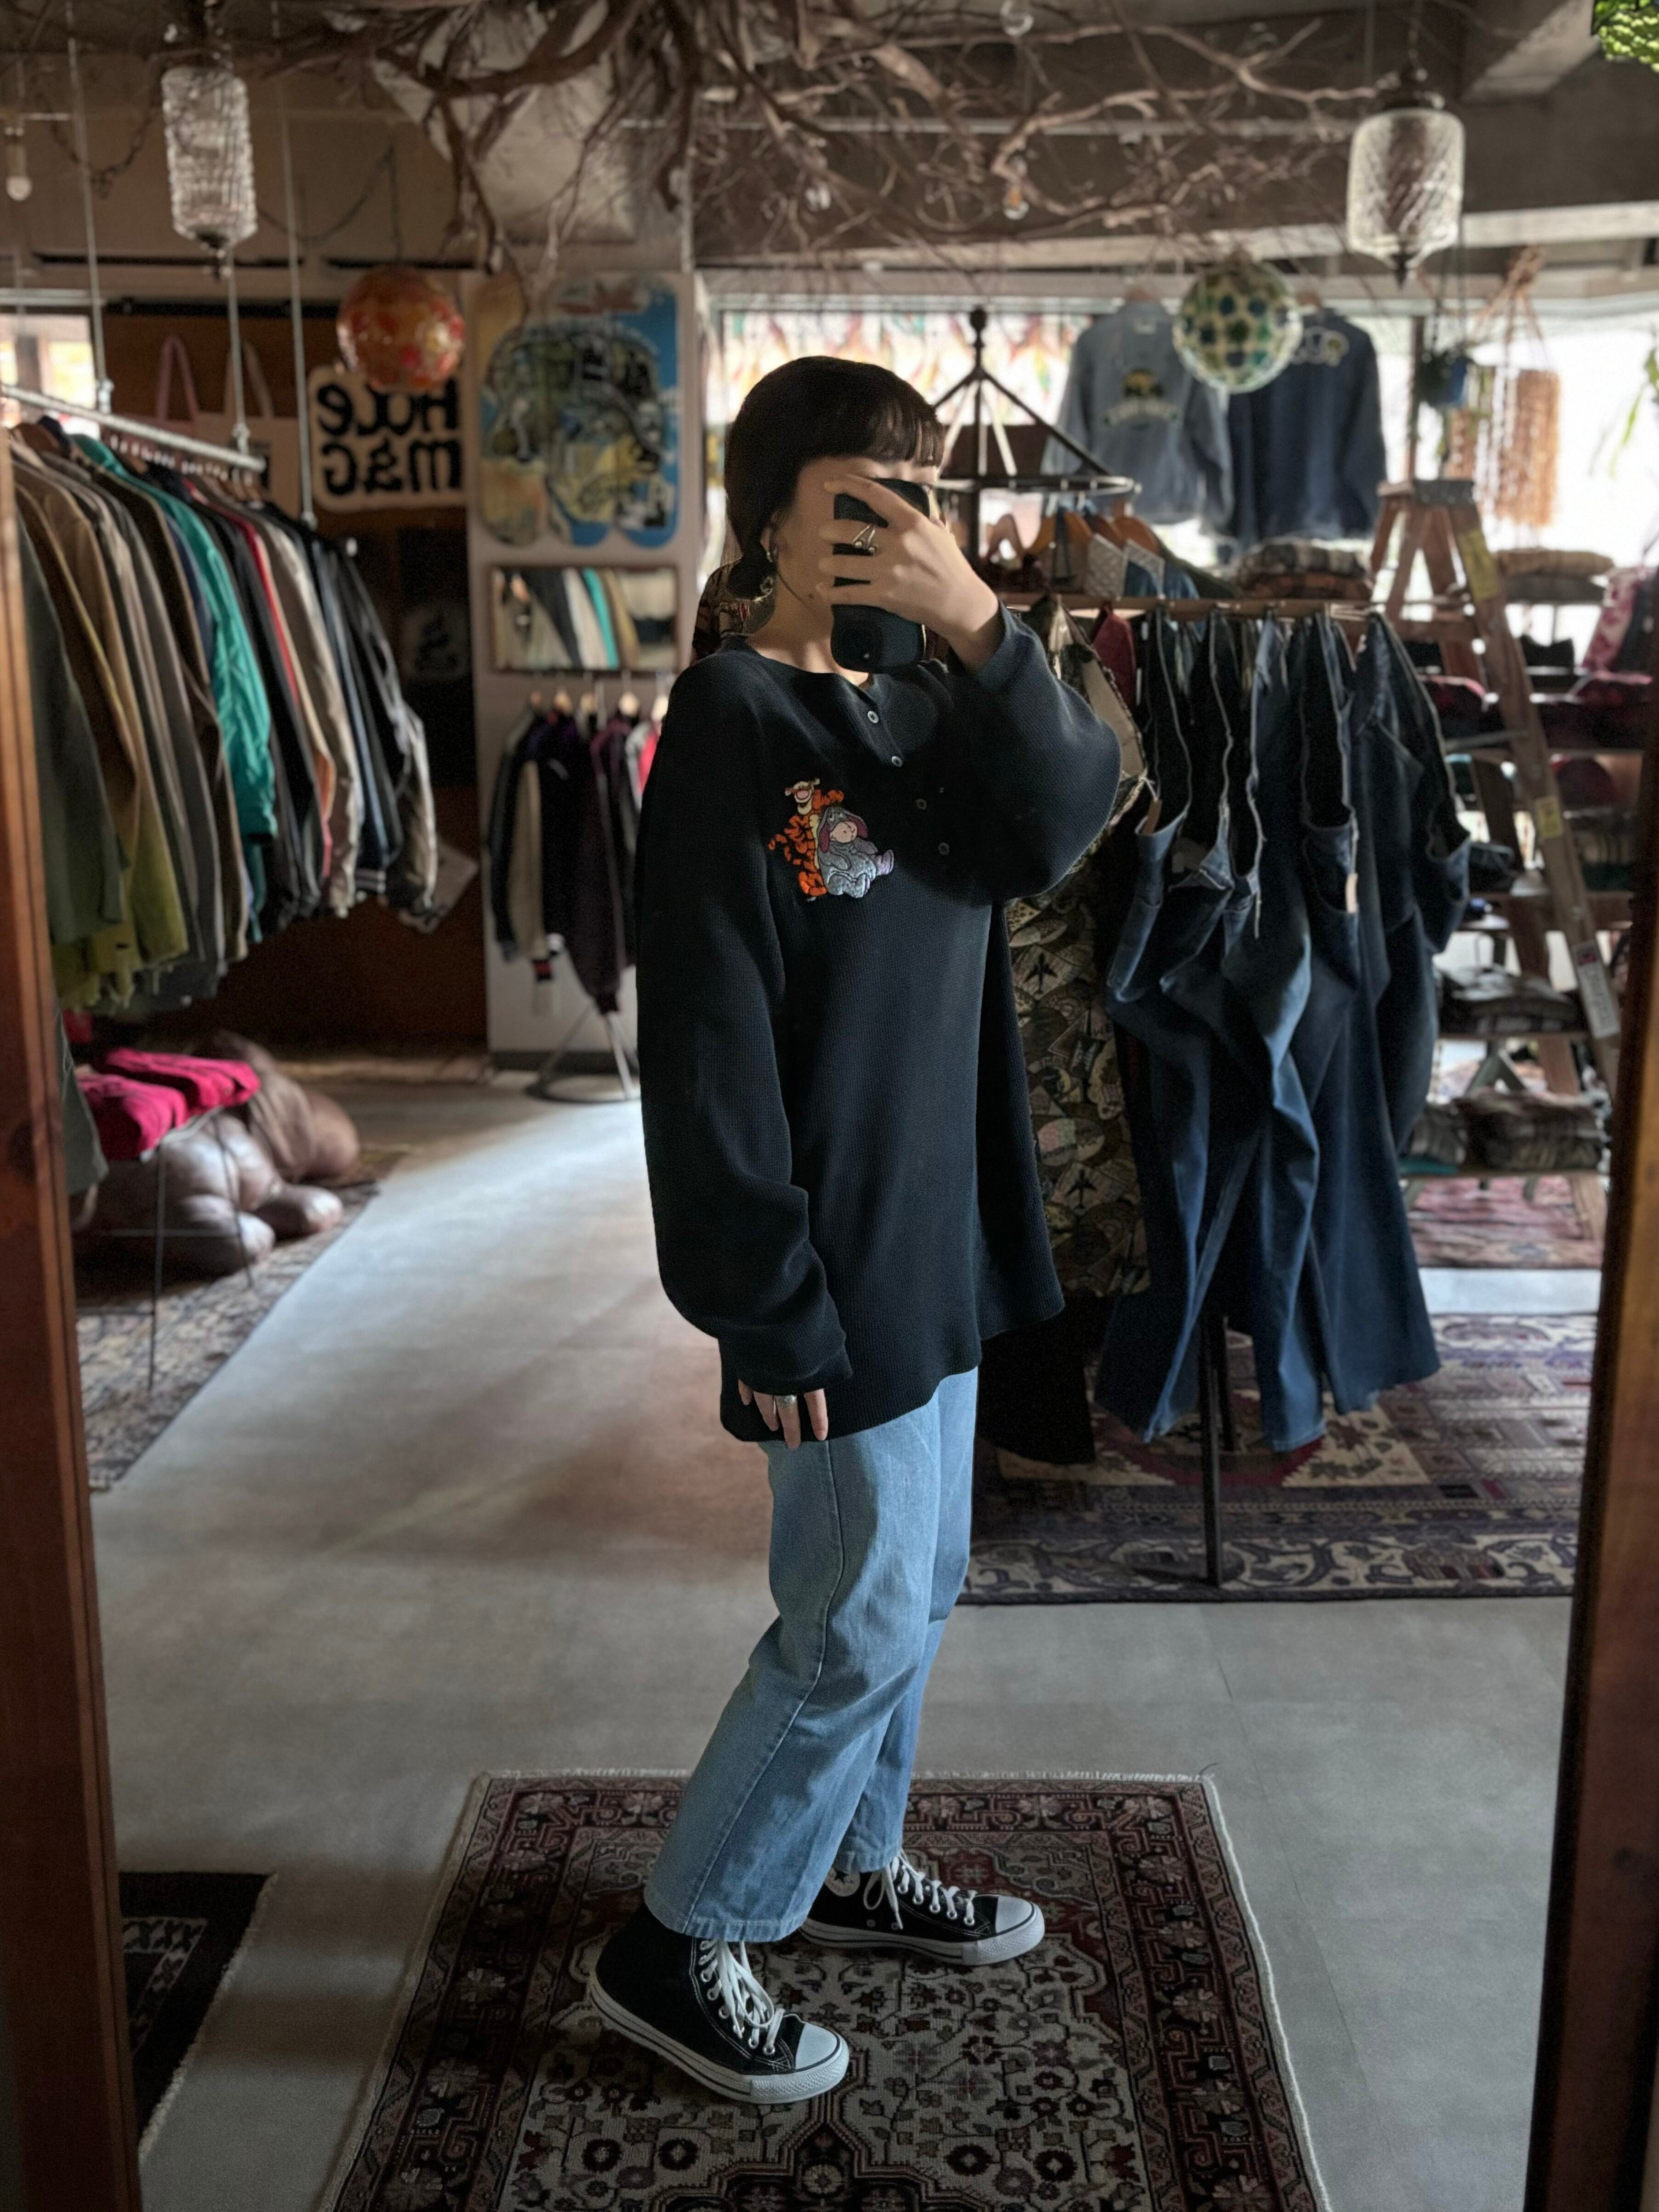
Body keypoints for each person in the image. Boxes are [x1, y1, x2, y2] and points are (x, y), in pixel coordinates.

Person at [588, 357, 1121, 2105]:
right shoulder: (733, 717)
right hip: (828, 1264)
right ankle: (685, 1932)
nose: (903, 522)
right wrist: (764, 1297)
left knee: (922, 1585)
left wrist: (979, 626)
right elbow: (707, 1037)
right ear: (772, 521)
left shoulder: (927, 711)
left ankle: (849, 1861)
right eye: (862, 494)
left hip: (944, 1237)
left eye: (925, 492)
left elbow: (1065, 816)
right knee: (856, 1617)